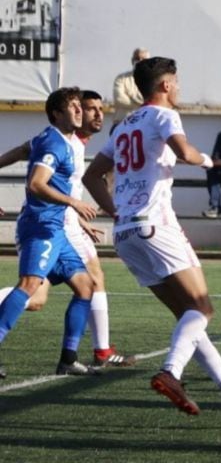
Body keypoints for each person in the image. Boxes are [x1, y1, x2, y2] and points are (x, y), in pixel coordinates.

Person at [83, 56, 221, 415]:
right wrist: (209, 161)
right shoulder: (164, 115)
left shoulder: (123, 125)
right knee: (202, 308)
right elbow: (184, 152)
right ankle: (171, 372)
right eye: (177, 82)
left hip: (126, 232)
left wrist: (114, 209)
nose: (179, 88)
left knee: (189, 316)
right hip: (156, 224)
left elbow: (91, 176)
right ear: (165, 85)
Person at [0, 90, 136, 368]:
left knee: (86, 286)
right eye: (75, 106)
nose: (81, 111)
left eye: (80, 106)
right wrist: (74, 203)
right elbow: (36, 184)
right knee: (30, 289)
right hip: (42, 226)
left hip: (58, 227)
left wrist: (77, 217)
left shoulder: (58, 140)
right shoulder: (55, 143)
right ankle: (101, 352)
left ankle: (69, 359)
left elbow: (22, 151)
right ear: (57, 114)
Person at [112, 47, 150, 128]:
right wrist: (142, 103)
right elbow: (119, 99)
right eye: (137, 58)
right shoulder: (121, 78)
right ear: (132, 60)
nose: (139, 61)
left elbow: (152, 100)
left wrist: (130, 95)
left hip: (144, 125)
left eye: (143, 59)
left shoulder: (152, 80)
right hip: (121, 124)